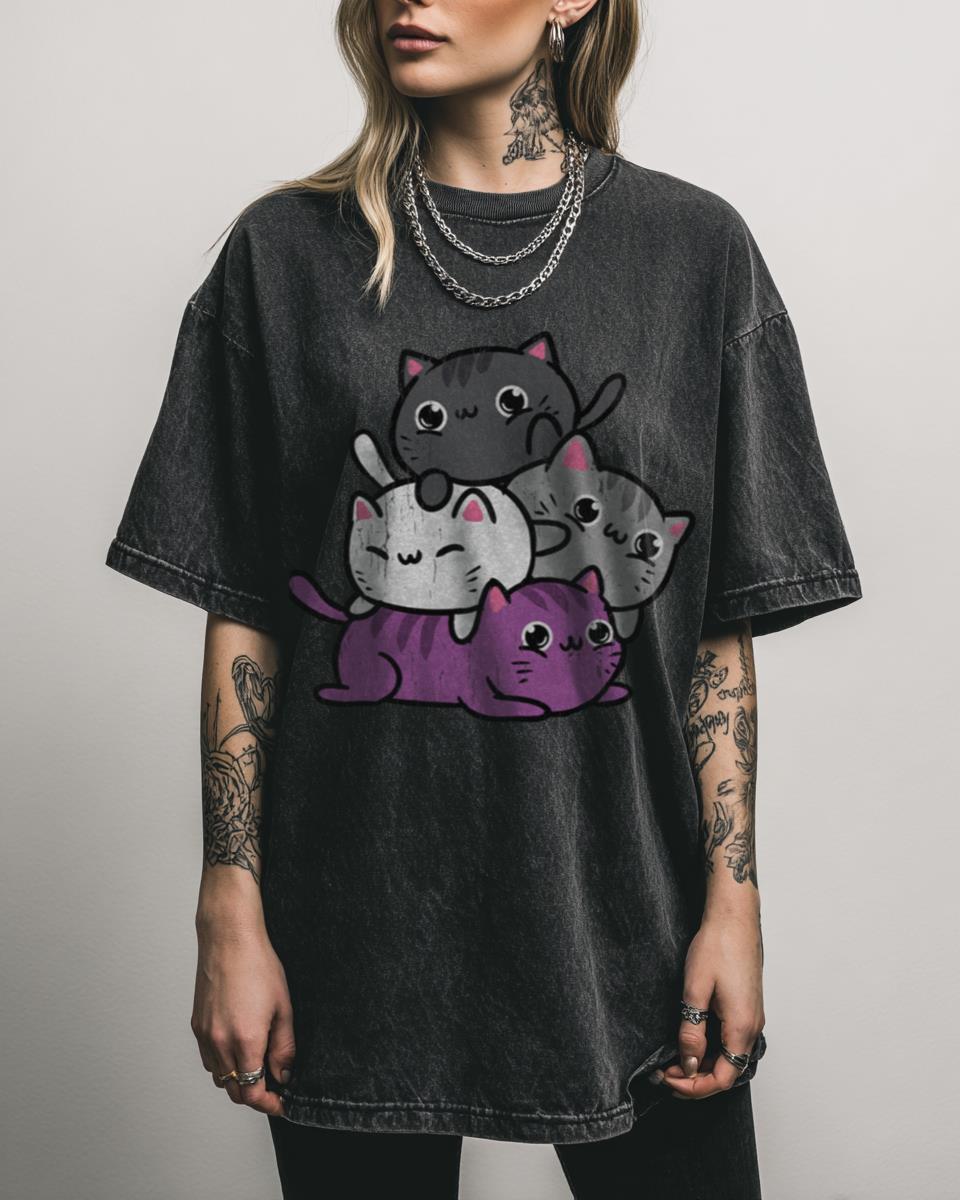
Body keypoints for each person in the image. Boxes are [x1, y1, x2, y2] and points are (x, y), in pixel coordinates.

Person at [104, 1, 863, 1196]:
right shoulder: (284, 256)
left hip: (630, 920)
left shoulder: (695, 253)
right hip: (351, 930)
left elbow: (715, 632)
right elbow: (245, 610)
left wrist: (735, 902)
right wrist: (229, 905)